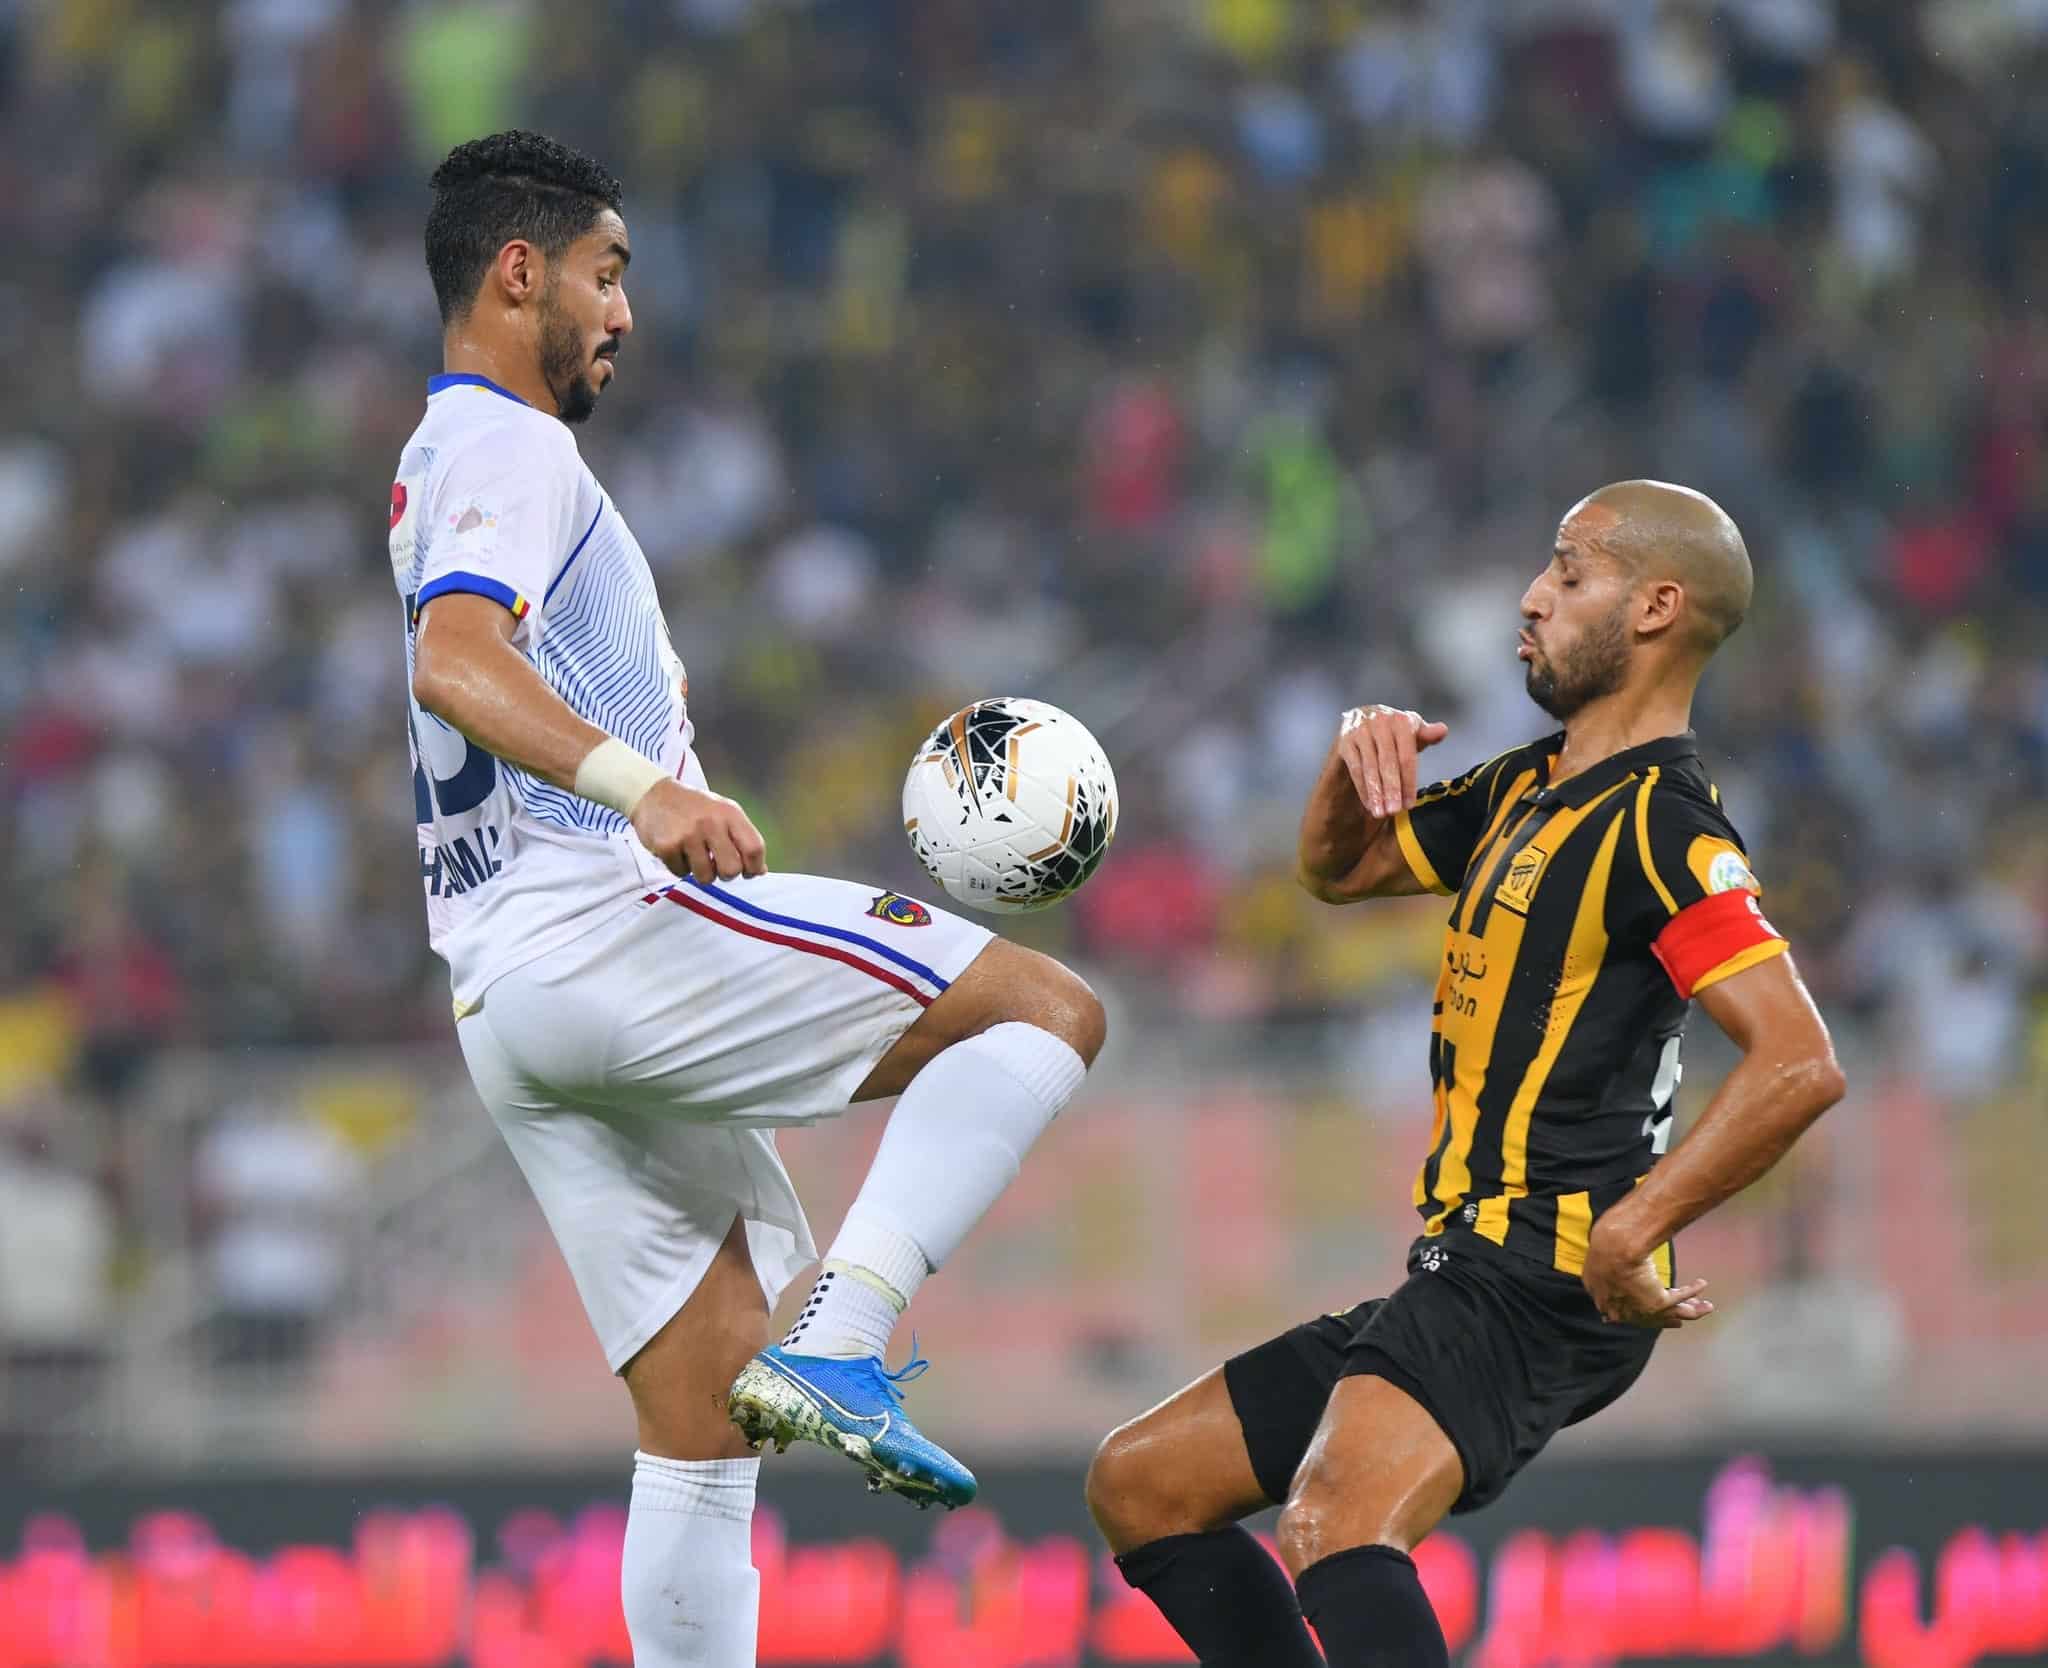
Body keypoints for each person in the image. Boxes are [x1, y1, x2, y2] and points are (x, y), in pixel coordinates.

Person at [392, 132, 1104, 1667]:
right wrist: (644, 789)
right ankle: (846, 1339)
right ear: (518, 272)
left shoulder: (441, 457)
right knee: (1042, 1013)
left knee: (703, 1417)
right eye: (605, 273)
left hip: (504, 997)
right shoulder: (512, 448)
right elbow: (454, 658)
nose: (623, 312)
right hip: (599, 929)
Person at [1084, 480, 1846, 1667]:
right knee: (1142, 1484)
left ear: (1654, 608)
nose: (1532, 597)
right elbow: (1338, 872)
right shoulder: (1523, 786)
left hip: (1543, 1269)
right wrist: (1353, 760)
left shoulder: (1665, 827)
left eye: (1569, 572)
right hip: (1464, 1260)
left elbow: (1797, 1061)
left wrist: (1635, 1224)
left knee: (1335, 1522)